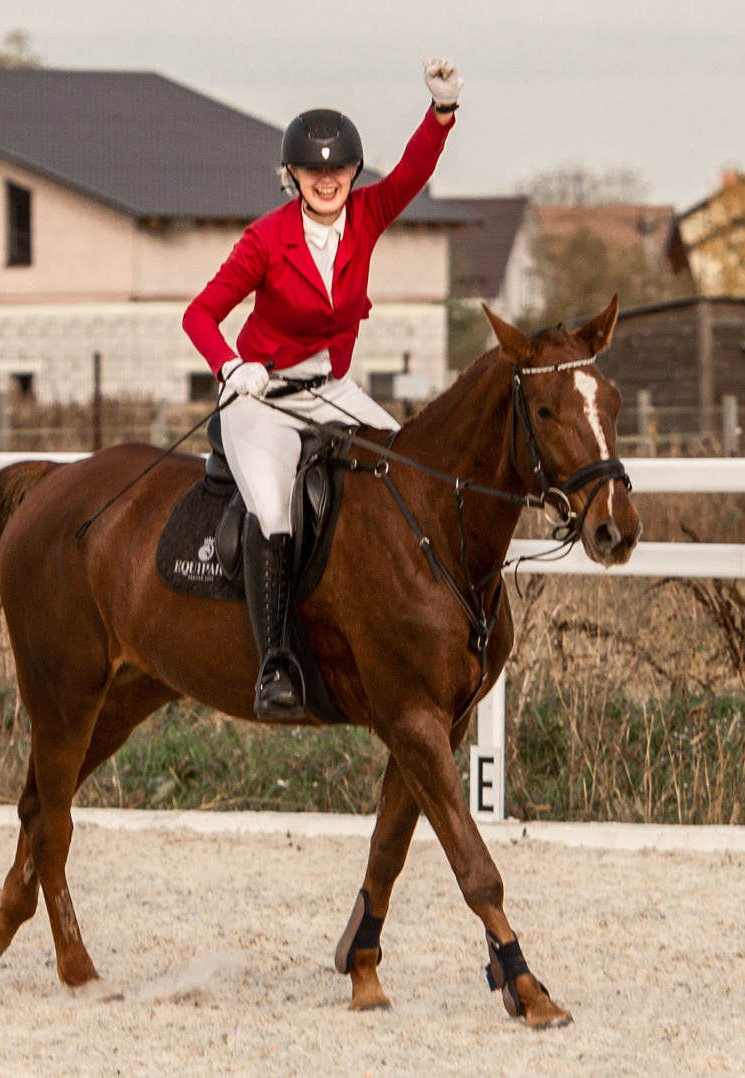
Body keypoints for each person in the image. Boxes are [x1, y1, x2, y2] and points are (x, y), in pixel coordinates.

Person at [183, 58, 463, 720]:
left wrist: (442, 112)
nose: (328, 180)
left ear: (353, 174)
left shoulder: (367, 215)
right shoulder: (265, 240)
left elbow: (412, 173)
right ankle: (276, 664)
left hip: (330, 387)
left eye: (339, 171)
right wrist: (231, 367)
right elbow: (199, 315)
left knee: (406, 467)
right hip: (263, 398)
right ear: (293, 176)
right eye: (313, 172)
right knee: (272, 510)